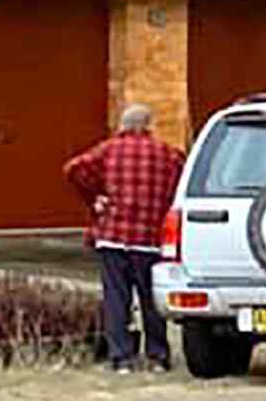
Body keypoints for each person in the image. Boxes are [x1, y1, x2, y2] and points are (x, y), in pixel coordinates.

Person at [63, 104, 185, 374]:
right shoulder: (170, 155)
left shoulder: (107, 151)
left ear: (123, 125)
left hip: (113, 236)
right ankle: (158, 356)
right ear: (149, 125)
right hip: (150, 238)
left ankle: (122, 358)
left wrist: (95, 198)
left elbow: (73, 169)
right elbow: (180, 188)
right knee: (150, 299)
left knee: (116, 299)